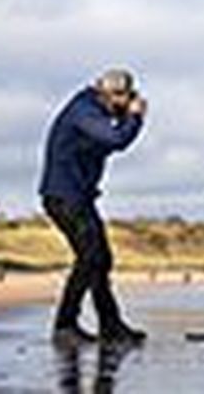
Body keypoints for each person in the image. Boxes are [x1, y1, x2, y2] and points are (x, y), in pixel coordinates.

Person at [39, 68, 147, 346]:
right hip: (64, 197)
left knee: (101, 260)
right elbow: (116, 140)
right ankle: (65, 326)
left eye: (127, 96)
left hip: (79, 197)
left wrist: (126, 117)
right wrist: (134, 117)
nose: (123, 102)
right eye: (119, 96)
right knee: (90, 259)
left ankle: (111, 325)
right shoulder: (83, 110)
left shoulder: (97, 113)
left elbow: (110, 142)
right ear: (103, 91)